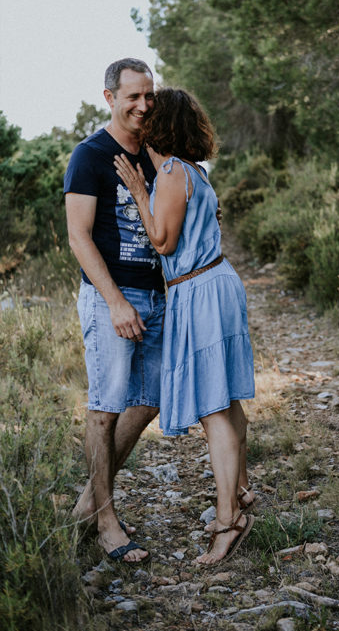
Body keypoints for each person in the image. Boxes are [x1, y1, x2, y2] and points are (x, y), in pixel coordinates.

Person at [113, 87, 256, 566]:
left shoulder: (173, 173)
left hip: (199, 289)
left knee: (214, 406)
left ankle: (228, 520)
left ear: (163, 125)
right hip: (215, 283)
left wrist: (139, 192)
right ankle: (239, 491)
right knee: (228, 399)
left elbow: (163, 243)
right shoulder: (196, 170)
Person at [64, 58, 162, 564]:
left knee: (148, 401)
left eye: (149, 95)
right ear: (110, 98)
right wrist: (117, 300)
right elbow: (79, 236)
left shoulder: (154, 154)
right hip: (112, 299)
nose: (143, 105)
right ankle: (105, 519)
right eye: (133, 96)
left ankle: (85, 501)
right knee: (105, 409)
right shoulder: (90, 156)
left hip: (157, 296)